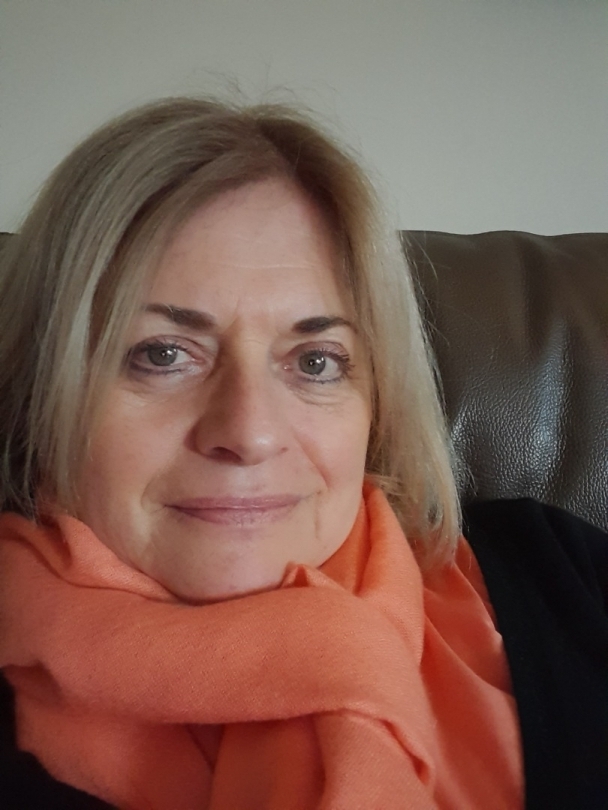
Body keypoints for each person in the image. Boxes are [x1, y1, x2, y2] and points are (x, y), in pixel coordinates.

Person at [0, 97, 606, 810]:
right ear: (44, 391)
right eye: (162, 354)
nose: (250, 433)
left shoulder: (564, 573)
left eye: (316, 361)